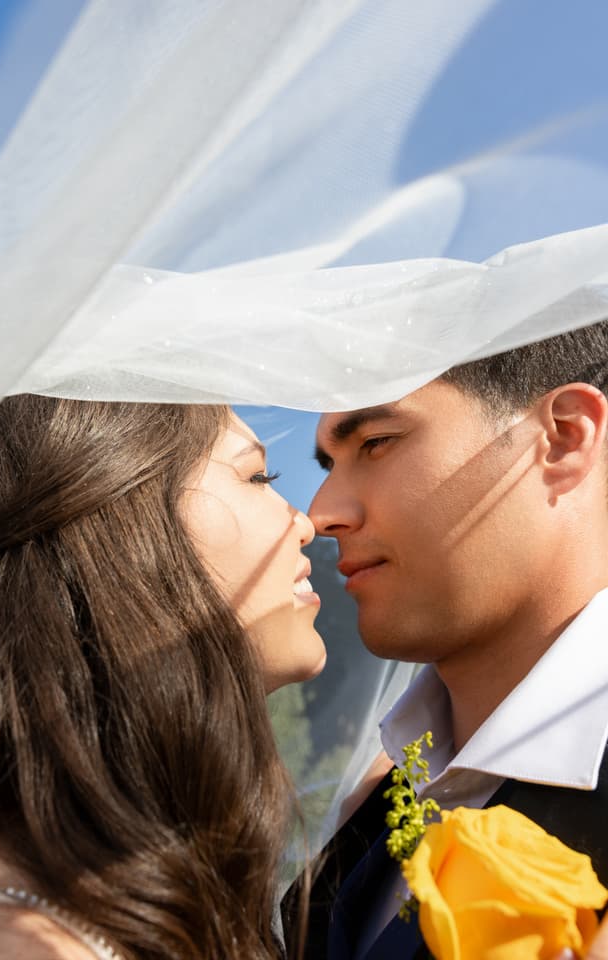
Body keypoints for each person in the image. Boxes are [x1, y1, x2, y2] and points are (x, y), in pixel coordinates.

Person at [284, 319, 608, 959]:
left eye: (376, 442)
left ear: (563, 439)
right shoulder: (370, 807)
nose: (321, 513)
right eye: (326, 464)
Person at [0, 395, 326, 959]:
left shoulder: (161, 875)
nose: (304, 521)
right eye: (259, 476)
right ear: (121, 518)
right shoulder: (15, 942)